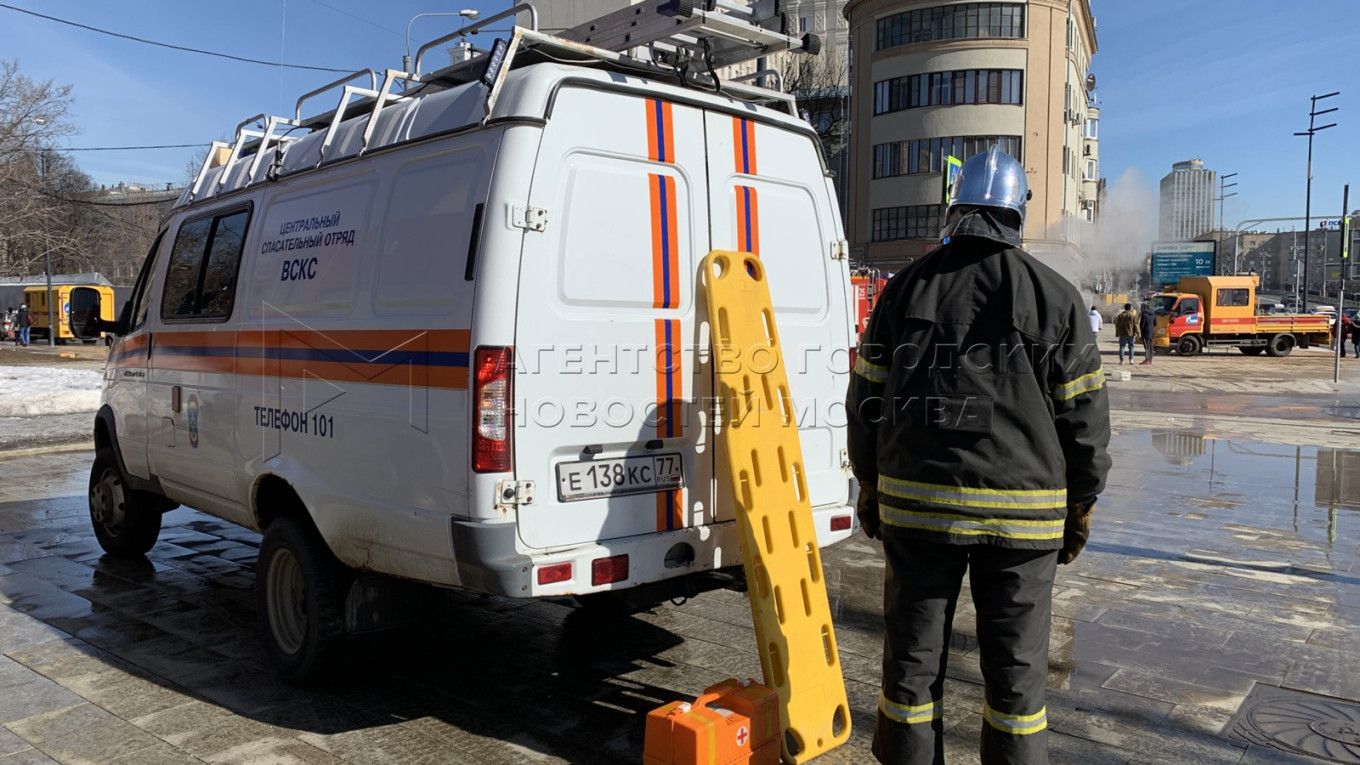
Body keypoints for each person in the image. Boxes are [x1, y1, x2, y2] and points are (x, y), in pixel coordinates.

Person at [848, 145, 1112, 765]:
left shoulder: (903, 290)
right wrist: (1081, 504)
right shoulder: (1056, 298)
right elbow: (1085, 421)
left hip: (917, 515)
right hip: (1024, 524)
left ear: (955, 206)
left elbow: (866, 401)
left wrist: (870, 483)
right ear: (1017, 212)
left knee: (910, 673)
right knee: (1017, 684)